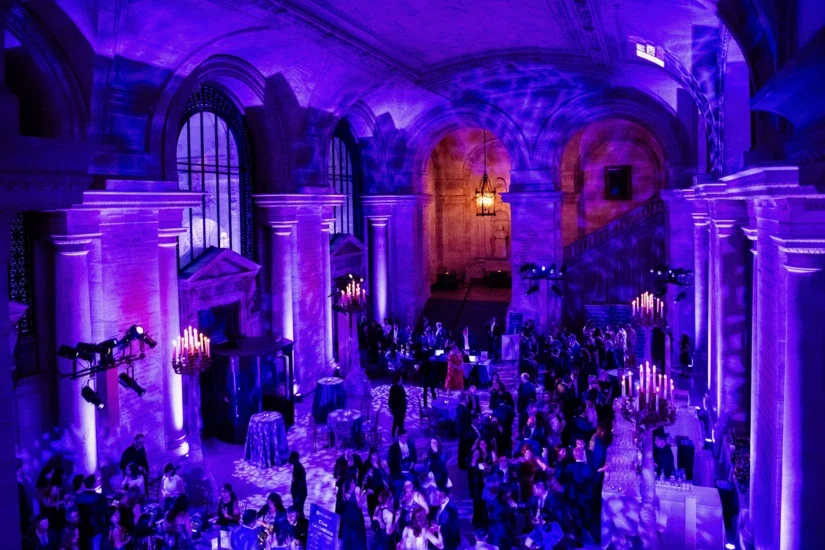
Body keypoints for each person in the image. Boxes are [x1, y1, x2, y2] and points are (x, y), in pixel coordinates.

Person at [339, 479, 367, 550]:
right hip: (355, 515)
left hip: (347, 514)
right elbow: (359, 505)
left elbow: (344, 499)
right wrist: (364, 495)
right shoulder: (356, 488)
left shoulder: (344, 485)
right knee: (357, 536)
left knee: (348, 533)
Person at [288, 452, 307, 519]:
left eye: (291, 458)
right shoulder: (296, 467)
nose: (290, 459)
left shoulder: (299, 468)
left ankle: (302, 523)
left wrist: (298, 496)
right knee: (297, 510)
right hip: (297, 494)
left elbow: (301, 484)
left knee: (299, 511)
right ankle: (299, 522)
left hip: (299, 494)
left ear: (295, 459)